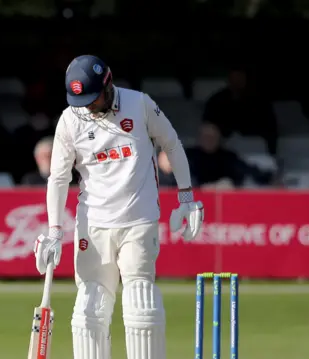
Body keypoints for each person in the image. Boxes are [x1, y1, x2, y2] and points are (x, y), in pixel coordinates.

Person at [33, 55, 204, 359]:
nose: (87, 106)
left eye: (92, 98)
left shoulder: (139, 104)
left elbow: (172, 144)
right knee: (91, 308)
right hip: (93, 222)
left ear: (108, 84)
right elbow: (58, 178)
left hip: (139, 220)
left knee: (141, 304)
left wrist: (186, 197)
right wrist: (54, 232)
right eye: (80, 100)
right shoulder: (70, 119)